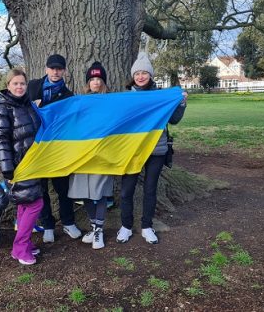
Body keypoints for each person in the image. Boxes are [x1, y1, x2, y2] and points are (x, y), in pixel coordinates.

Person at [116, 52, 188, 245]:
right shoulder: (126, 98)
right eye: (137, 73)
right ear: (133, 76)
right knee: (126, 191)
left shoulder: (160, 97)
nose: (140, 76)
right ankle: (126, 226)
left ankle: (147, 226)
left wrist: (180, 103)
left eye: (144, 73)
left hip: (156, 149)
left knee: (150, 189)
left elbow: (173, 120)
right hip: (132, 150)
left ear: (150, 75)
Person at [27, 54, 82, 243]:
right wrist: (32, 108)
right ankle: (48, 225)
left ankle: (68, 222)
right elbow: (19, 109)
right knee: (41, 189)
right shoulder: (32, 86)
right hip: (37, 148)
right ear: (46, 69)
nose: (55, 72)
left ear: (64, 71)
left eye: (59, 69)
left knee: (63, 188)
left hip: (58, 150)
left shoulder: (69, 96)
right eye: (52, 68)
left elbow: (71, 124)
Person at [0, 68, 43, 265]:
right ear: (8, 86)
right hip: (17, 166)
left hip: (32, 163)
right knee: (35, 204)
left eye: (22, 83)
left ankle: (21, 246)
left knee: (24, 205)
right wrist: (7, 169)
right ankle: (21, 248)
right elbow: (1, 140)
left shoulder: (27, 104)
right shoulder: (3, 108)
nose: (20, 87)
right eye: (15, 83)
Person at [67, 62, 114, 249]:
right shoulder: (80, 101)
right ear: (88, 82)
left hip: (102, 155)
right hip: (83, 154)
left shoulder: (111, 101)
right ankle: (95, 228)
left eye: (99, 79)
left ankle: (99, 233)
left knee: (99, 191)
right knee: (84, 192)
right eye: (92, 79)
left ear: (103, 82)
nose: (95, 82)